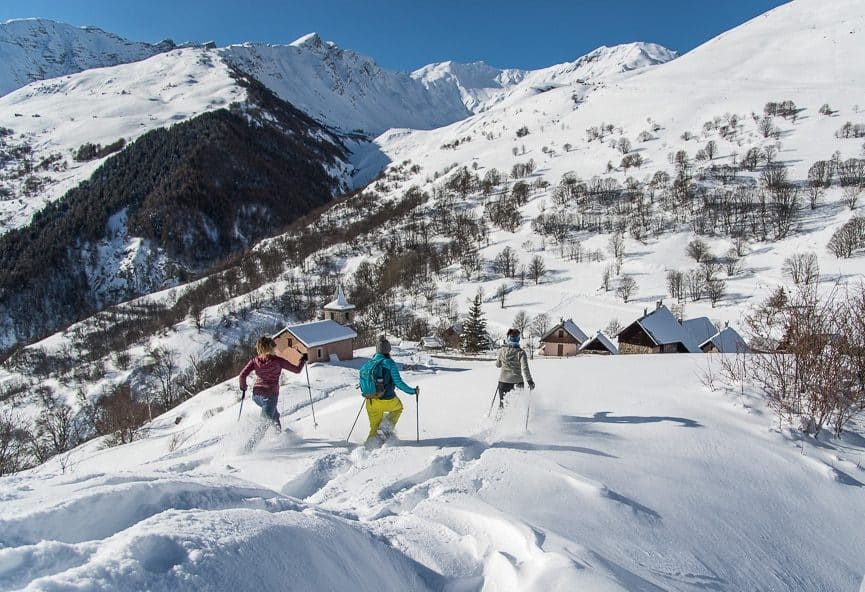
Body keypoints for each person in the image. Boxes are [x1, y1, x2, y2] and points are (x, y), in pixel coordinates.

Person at [239, 336, 307, 429]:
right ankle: (250, 444)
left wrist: (243, 387)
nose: (276, 349)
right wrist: (303, 360)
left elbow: (242, 375)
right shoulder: (278, 361)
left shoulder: (255, 361)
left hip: (256, 396)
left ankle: (280, 437)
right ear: (271, 348)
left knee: (275, 416)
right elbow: (297, 370)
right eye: (274, 347)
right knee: (263, 426)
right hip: (270, 396)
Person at [365, 336, 419, 446]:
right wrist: (413, 391)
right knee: (398, 408)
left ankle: (368, 447)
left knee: (374, 427)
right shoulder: (390, 363)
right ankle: (385, 428)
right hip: (387, 399)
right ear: (388, 350)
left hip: (370, 400)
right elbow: (399, 383)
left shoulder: (371, 363)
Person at [495, 328, 535, 408]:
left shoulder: (502, 350)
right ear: (518, 339)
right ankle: (516, 420)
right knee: (516, 407)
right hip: (517, 382)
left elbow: (498, 365)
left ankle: (499, 419)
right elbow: (525, 368)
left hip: (503, 382)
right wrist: (530, 381)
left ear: (508, 338)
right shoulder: (521, 352)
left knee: (503, 405)